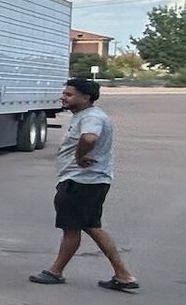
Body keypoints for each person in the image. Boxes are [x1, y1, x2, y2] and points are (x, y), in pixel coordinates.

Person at [30, 77, 138, 292]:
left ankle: (56, 272)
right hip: (89, 181)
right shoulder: (87, 115)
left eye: (69, 94)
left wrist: (79, 157)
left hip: (82, 182)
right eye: (64, 93)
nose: (63, 97)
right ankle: (123, 275)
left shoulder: (91, 117)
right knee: (91, 226)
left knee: (74, 228)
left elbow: (89, 139)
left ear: (86, 97)